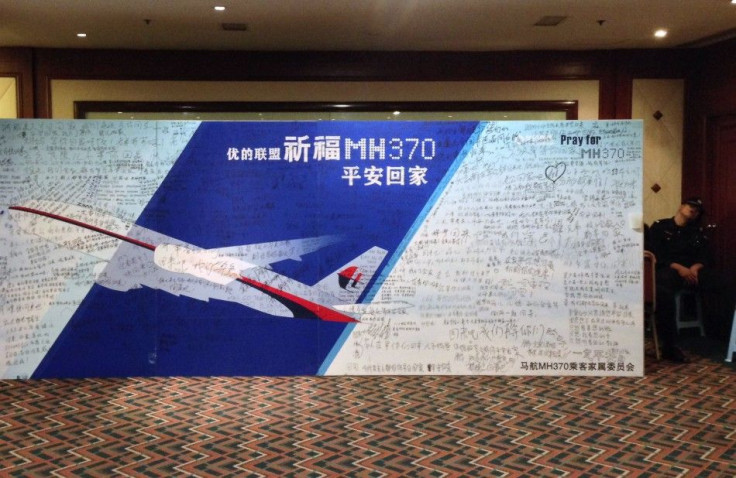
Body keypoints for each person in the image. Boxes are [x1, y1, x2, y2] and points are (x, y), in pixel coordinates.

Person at [648, 197, 713, 363]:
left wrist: (695, 267)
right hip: (668, 270)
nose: (694, 210)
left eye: (697, 210)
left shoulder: (696, 232)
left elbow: (704, 256)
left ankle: (716, 336)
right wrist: (678, 268)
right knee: (663, 290)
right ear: (681, 206)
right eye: (691, 206)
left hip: (691, 271)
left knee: (716, 280)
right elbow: (656, 254)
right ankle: (669, 344)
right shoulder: (660, 226)